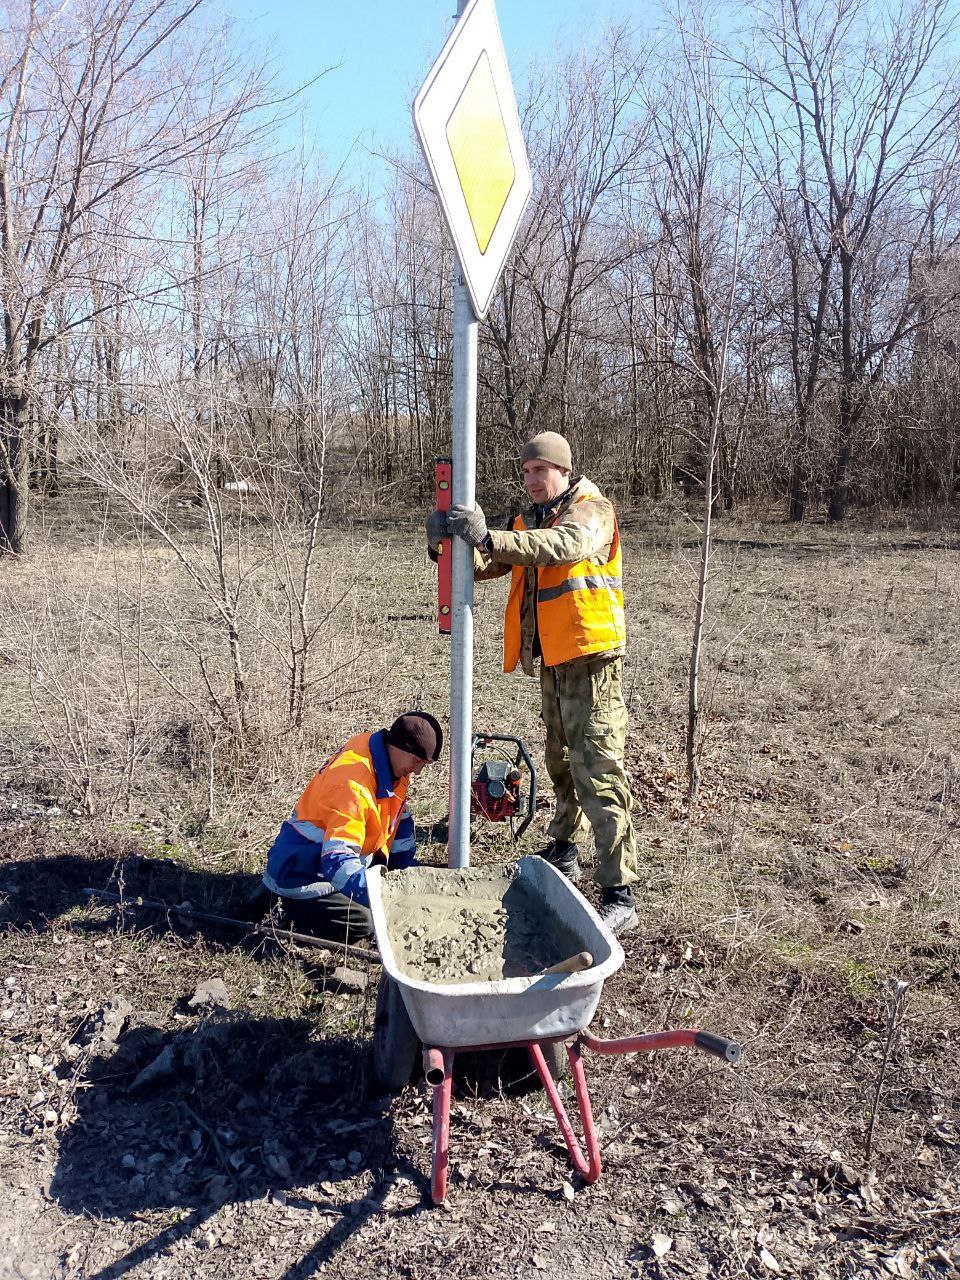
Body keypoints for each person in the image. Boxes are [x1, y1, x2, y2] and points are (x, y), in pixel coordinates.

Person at [427, 431, 638, 935]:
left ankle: (619, 892)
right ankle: (564, 850)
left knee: (599, 770)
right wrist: (444, 543)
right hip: (553, 660)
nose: (531, 480)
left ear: (563, 470)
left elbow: (563, 547)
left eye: (539, 471)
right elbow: (485, 566)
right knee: (560, 762)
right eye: (525, 472)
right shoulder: (528, 520)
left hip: (591, 659)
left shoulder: (592, 509)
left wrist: (488, 537)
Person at [260, 712, 443, 943]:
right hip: (303, 875)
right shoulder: (353, 786)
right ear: (398, 746)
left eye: (424, 764)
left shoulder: (387, 761)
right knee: (366, 921)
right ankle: (283, 911)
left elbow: (398, 820)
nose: (417, 771)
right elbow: (337, 863)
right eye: (416, 762)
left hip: (327, 864)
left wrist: (408, 872)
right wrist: (387, 897)